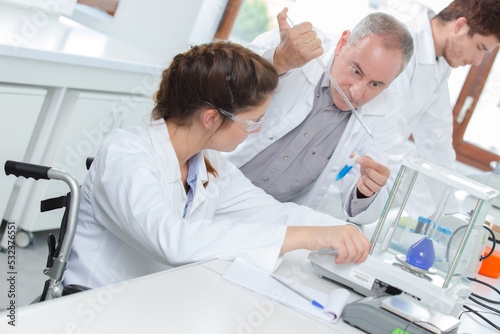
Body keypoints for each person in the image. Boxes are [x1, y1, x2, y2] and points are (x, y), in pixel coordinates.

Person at [63, 41, 370, 289]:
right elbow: (172, 242)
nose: (258, 130)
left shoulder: (209, 163)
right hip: (95, 302)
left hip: (155, 300)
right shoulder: (126, 156)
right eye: (253, 122)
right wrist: (305, 237)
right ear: (211, 118)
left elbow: (269, 211)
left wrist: (337, 229)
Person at [226, 9, 414, 225]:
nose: (357, 92)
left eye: (376, 84)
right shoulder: (297, 45)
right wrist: (278, 61)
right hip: (213, 184)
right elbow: (219, 85)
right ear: (343, 43)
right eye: (356, 71)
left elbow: (362, 206)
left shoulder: (386, 109)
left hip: (269, 220)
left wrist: (366, 191)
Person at [388, 0, 500, 217]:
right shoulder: (399, 43)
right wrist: (430, 214)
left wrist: (450, 214)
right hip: (340, 186)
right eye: (479, 48)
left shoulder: (440, 61)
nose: (478, 61)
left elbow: (437, 143)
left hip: (375, 187)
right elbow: (387, 143)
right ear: (459, 27)